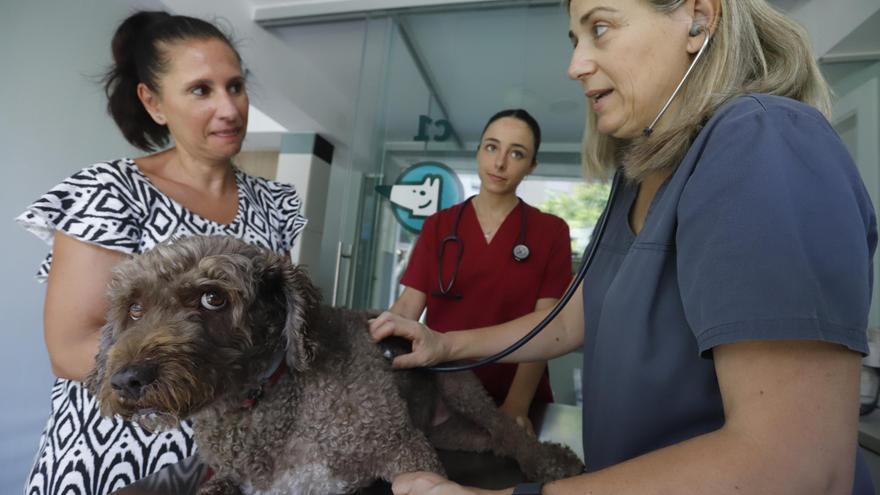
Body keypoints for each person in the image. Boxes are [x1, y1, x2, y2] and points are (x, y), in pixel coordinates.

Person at [369, 0, 878, 493]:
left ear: (698, 18)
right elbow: (573, 319)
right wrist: (445, 344)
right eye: (575, 38)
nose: (575, 65)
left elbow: (799, 465)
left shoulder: (764, 142)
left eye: (601, 28)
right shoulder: (638, 177)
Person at [16, 11, 307, 495]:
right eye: (201, 90)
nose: (229, 108)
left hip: (232, 458)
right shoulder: (109, 191)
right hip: (116, 458)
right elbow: (69, 350)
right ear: (154, 102)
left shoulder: (274, 204)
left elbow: (273, 328)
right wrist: (196, 366)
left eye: (235, 86)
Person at [389, 109, 572, 434]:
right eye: (491, 147)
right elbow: (407, 308)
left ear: (532, 166)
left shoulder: (551, 232)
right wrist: (371, 347)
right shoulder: (438, 226)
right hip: (442, 392)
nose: (500, 163)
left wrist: (516, 405)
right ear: (478, 151)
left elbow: (548, 326)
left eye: (516, 153)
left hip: (517, 397)